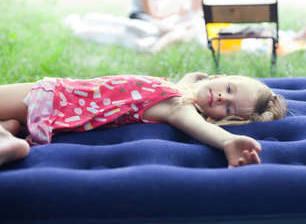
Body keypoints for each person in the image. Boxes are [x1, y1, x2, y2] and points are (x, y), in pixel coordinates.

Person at [0, 73, 287, 168]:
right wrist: (195, 79)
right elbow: (188, 81)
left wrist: (228, 141)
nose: (222, 98)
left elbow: (193, 123)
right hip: (56, 107)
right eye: (228, 88)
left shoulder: (178, 105)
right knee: (11, 122)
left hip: (53, 97)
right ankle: (10, 137)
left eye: (229, 109)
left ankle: (14, 142)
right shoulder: (181, 90)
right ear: (219, 77)